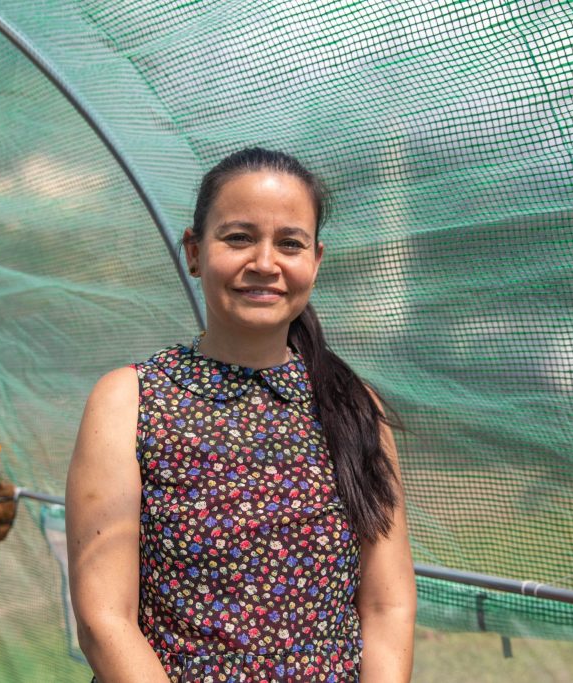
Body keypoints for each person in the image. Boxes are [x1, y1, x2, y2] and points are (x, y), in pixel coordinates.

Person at [66, 148, 416, 682]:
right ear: (193, 251)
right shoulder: (130, 400)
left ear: (316, 261)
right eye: (238, 237)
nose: (265, 263)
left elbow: (387, 609)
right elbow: (104, 619)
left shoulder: (353, 407)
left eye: (290, 243)